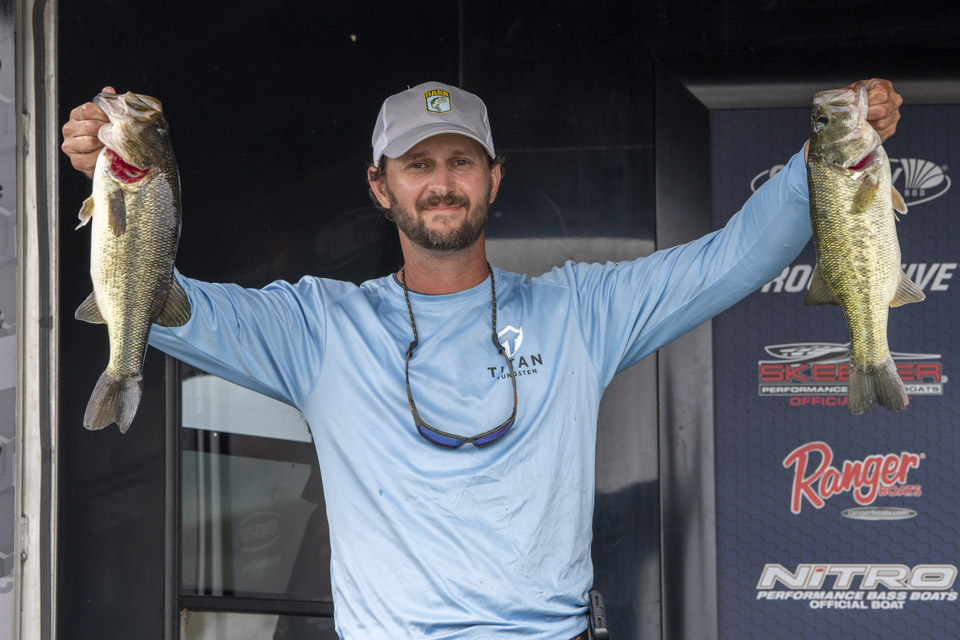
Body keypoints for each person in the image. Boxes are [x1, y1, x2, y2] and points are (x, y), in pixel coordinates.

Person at [62, 79, 903, 639]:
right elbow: (163, 304)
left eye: (460, 161)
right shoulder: (318, 327)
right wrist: (118, 183)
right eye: (418, 164)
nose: (442, 182)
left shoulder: (580, 311)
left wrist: (828, 160)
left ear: (493, 179)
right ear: (380, 185)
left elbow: (735, 257)